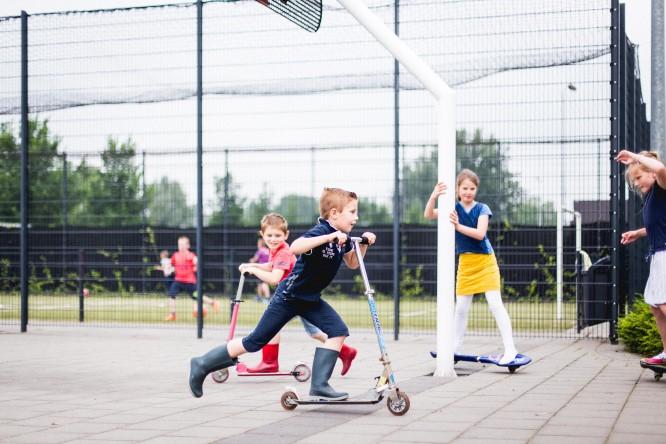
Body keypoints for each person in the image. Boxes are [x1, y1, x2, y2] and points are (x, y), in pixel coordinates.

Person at [189, 187, 375, 400]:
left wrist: (364, 244)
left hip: (310, 299)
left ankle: (320, 386)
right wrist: (330, 237)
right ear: (334, 213)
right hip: (289, 297)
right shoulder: (322, 231)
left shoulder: (343, 238)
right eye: (352, 212)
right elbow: (296, 247)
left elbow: (352, 263)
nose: (356, 217)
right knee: (254, 342)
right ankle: (201, 364)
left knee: (338, 331)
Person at [236, 212, 358, 375]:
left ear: (286, 235)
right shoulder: (277, 250)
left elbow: (274, 276)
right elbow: (272, 265)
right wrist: (252, 266)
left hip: (295, 297)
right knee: (308, 331)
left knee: (305, 331)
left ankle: (269, 362)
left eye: (278, 235)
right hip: (292, 297)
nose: (273, 239)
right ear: (262, 235)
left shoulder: (284, 252)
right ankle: (345, 352)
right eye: (269, 235)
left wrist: (253, 270)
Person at [424, 170, 518, 365]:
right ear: (458, 189)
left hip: (485, 261)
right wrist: (434, 195)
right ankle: (455, 347)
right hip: (466, 263)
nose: (468, 192)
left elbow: (480, 234)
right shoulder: (453, 208)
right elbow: (429, 214)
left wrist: (458, 227)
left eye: (472, 188)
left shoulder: (482, 208)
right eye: (464, 188)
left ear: (476, 189)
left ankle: (511, 349)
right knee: (461, 308)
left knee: (494, 303)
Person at [616, 149, 666, 365]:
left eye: (638, 177)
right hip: (657, 254)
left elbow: (661, 168)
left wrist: (635, 158)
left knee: (663, 303)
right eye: (633, 179)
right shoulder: (651, 198)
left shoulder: (662, 186)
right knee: (656, 306)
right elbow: (657, 225)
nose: (635, 183)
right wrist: (638, 233)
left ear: (651, 174)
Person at [165, 236, 220, 321]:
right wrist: (168, 269)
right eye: (179, 244)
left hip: (189, 282)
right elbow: (171, 264)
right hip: (178, 280)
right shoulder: (175, 255)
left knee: (197, 296)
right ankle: (173, 314)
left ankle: (213, 303)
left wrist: (196, 266)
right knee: (171, 295)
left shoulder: (191, 255)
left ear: (188, 246)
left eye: (183, 244)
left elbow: (196, 263)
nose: (181, 246)